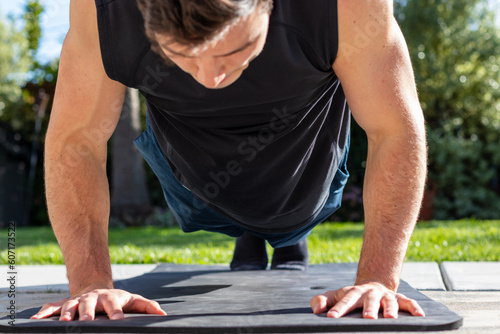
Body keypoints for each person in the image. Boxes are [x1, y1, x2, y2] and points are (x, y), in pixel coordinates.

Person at [31, 0, 427, 322]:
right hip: (190, 158)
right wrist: (89, 284)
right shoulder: (104, 9)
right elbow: (75, 140)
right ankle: (247, 229)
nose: (210, 79)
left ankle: (279, 232)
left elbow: (394, 128)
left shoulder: (347, 6)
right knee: (222, 202)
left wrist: (378, 279)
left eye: (232, 51)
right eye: (182, 56)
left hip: (302, 145)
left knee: (289, 210)